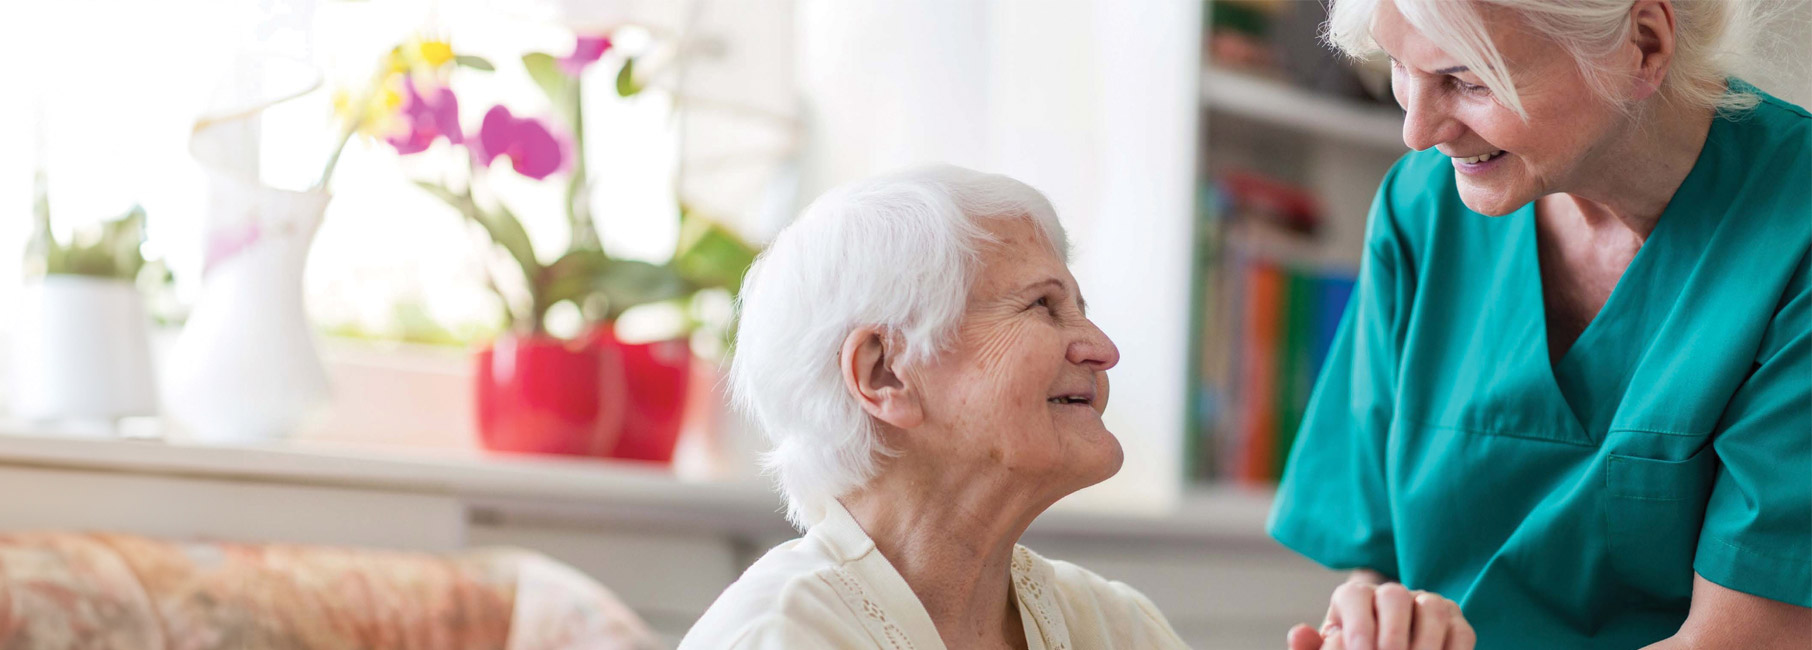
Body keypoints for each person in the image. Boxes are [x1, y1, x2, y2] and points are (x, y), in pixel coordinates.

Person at [684, 166, 1473, 649]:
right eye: (1042, 307)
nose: (1101, 346)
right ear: (885, 372)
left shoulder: (1111, 626)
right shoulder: (779, 636)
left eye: (1082, 306)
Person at [1270, 0, 1812, 648]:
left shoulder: (1794, 230)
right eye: (1399, 66)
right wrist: (1379, 626)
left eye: (1469, 80)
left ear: (1643, 44)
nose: (1416, 130)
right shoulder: (1420, 211)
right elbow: (1380, 564)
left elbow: (1748, 641)